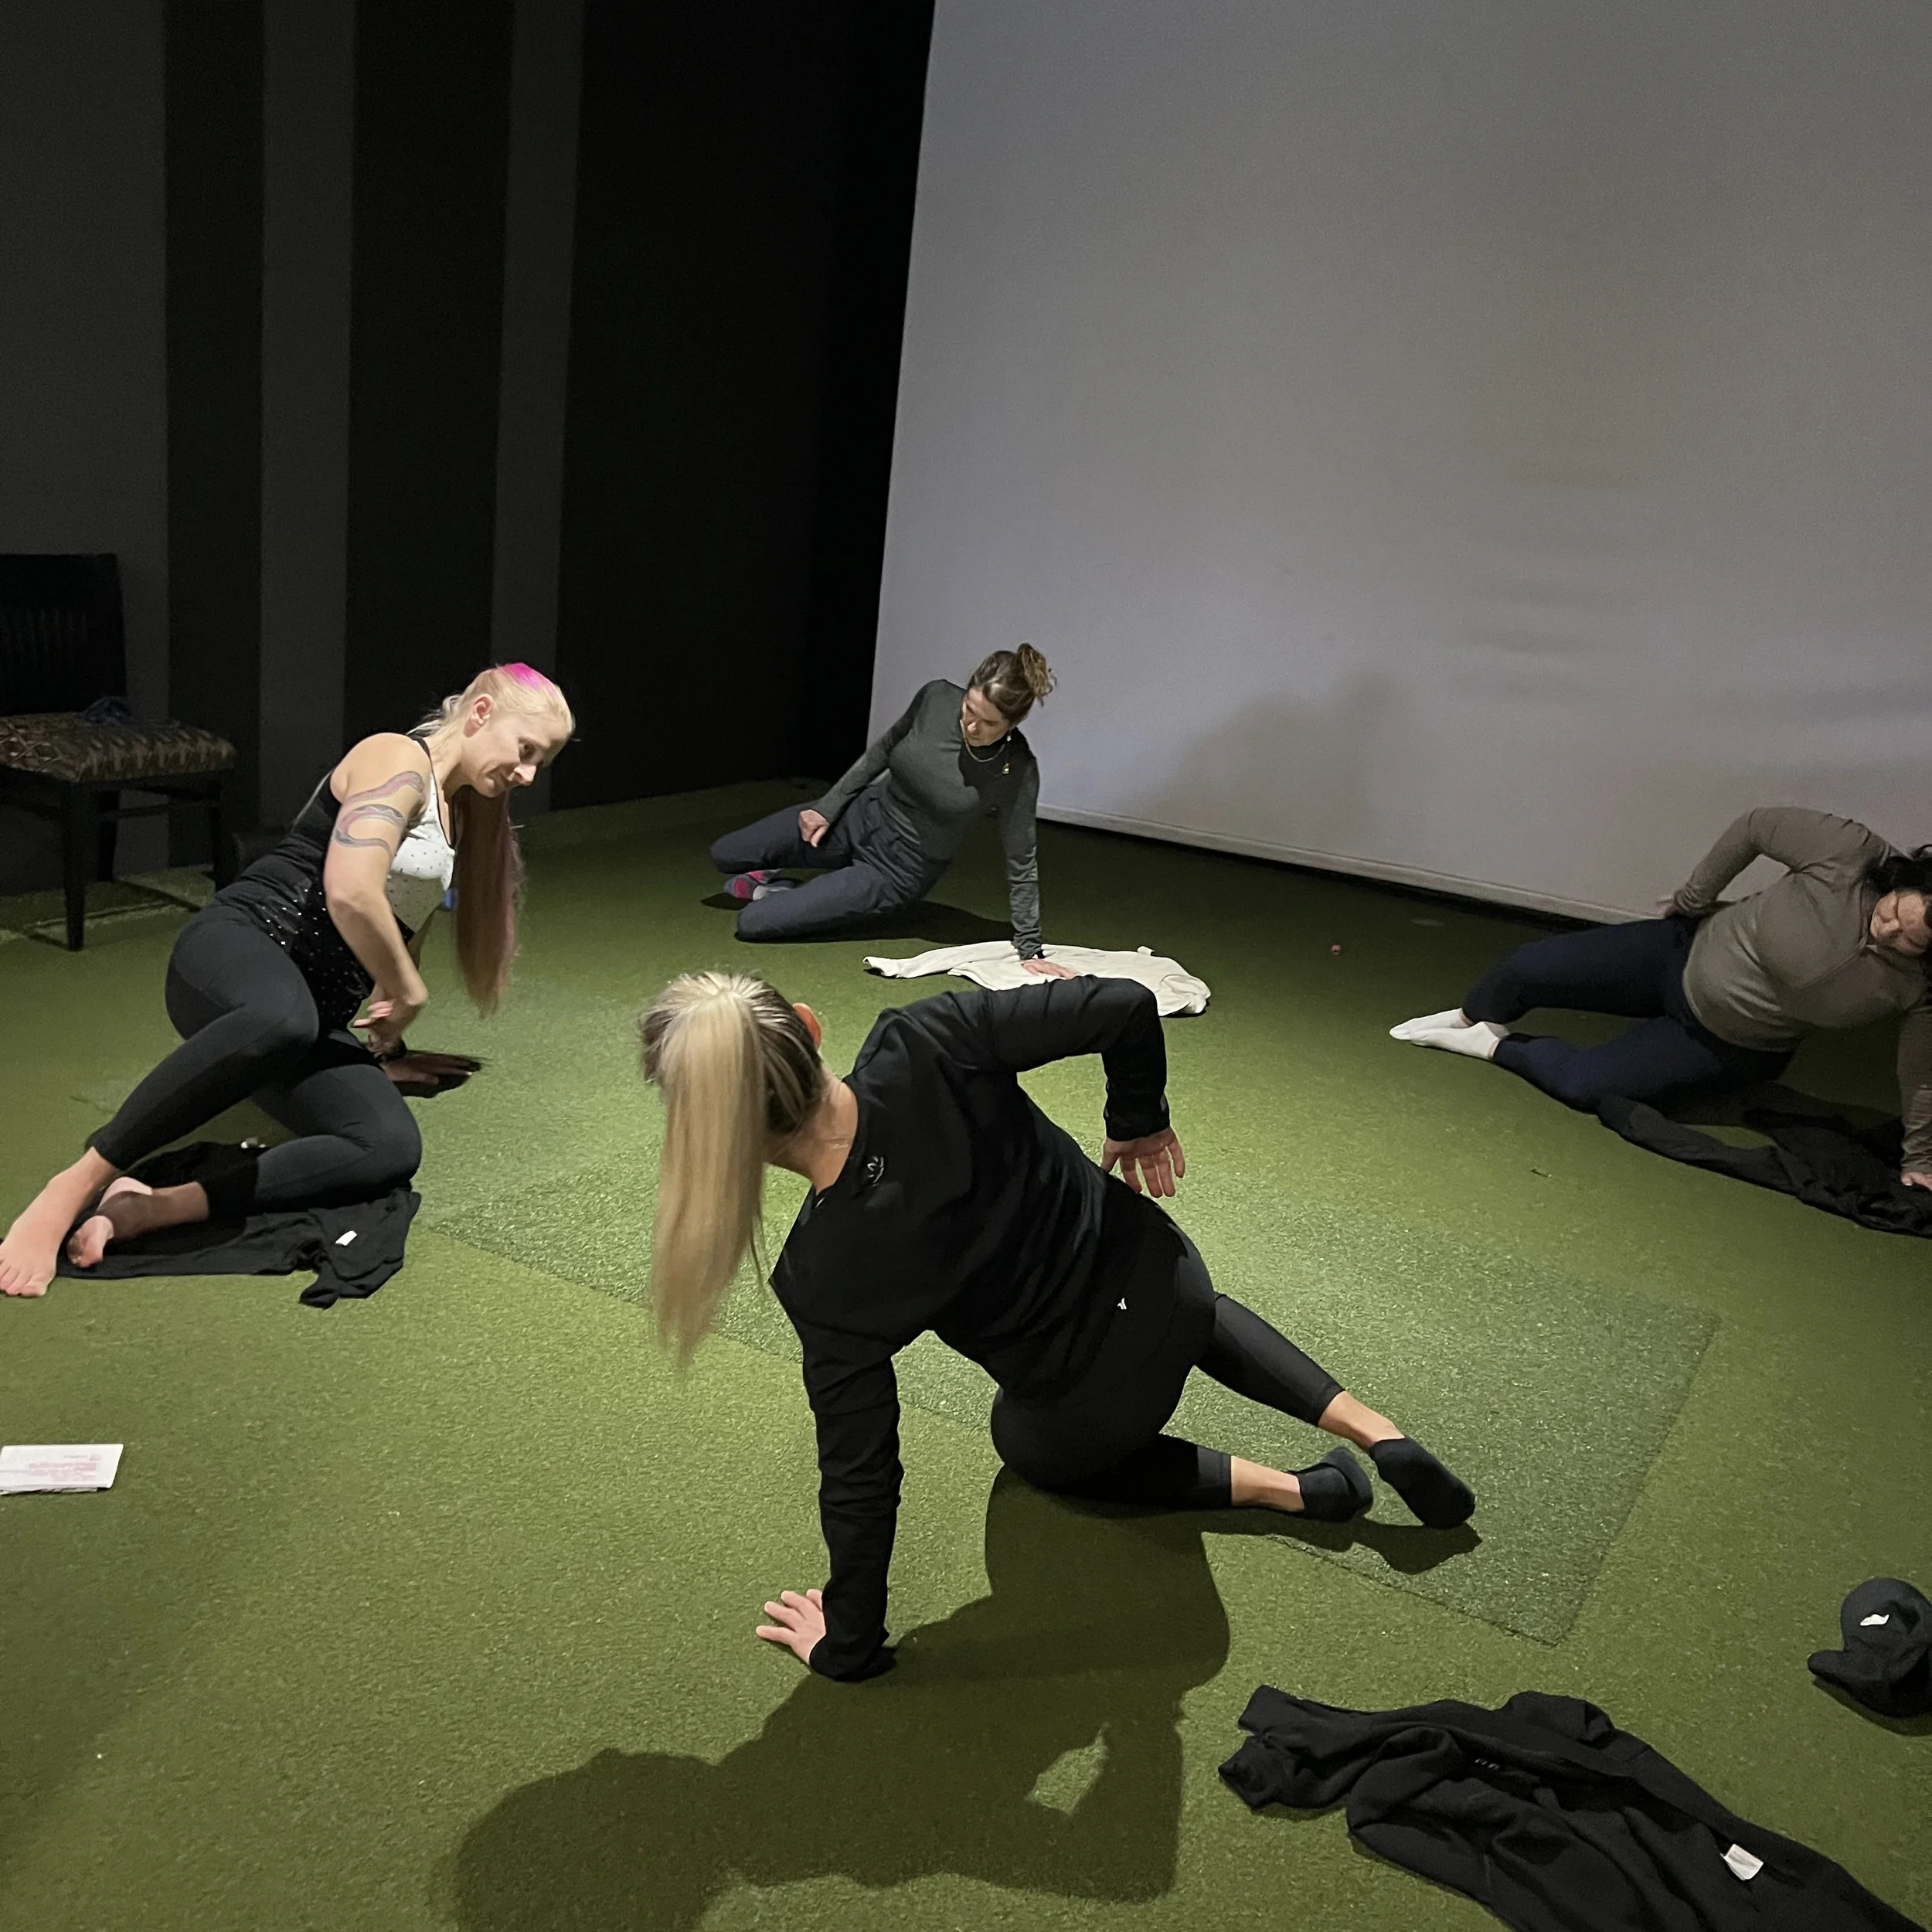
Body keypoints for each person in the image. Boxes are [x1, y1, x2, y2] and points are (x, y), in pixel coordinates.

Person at [638, 971, 1476, 1682]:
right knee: (1191, 1313)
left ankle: (1298, 1490)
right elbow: (1124, 1002)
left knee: (1023, 1441)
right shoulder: (926, 1035)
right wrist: (1137, 1116)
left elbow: (861, 1472)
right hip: (1170, 1277)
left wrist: (847, 1641)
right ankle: (1374, 1431)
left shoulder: (821, 1274)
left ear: (716, 1139)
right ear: (812, 1029)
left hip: (1093, 1400)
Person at [0, 663, 574, 1297]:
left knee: (387, 1145)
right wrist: (409, 990)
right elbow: (353, 893)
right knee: (282, 1017)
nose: (525, 775)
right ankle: (73, 1185)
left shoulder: (456, 812)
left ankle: (150, 1206)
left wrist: (387, 1048)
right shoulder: (395, 760)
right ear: (483, 712)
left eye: (539, 766)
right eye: (526, 752)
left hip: (307, 1018)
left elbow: (400, 923)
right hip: (237, 950)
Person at [1390, 807, 1932, 1187]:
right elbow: (1756, 825)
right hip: (1677, 954)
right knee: (1526, 966)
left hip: (1726, 1041)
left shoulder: (1921, 988)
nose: (1889, 933)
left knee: (1587, 1085)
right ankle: (1471, 1014)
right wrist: (1693, 897)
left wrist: (1922, 1159)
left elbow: (1922, 1075)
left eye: (1911, 941)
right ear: (1907, 880)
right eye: (1894, 914)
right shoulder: (1850, 853)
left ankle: (1489, 1043)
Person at [708, 645, 1072, 974]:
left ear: (1013, 723)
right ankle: (788, 872)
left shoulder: (1017, 770)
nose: (971, 726)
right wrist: (828, 807)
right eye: (969, 709)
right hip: (860, 815)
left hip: (897, 870)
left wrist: (1030, 949)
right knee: (724, 853)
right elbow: (883, 749)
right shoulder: (936, 696)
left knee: (753, 924)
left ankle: (780, 892)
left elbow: (1022, 860)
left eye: (989, 723)